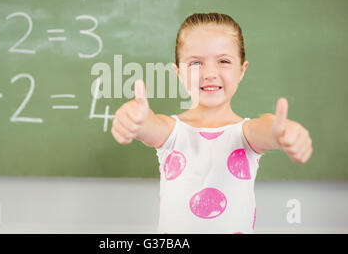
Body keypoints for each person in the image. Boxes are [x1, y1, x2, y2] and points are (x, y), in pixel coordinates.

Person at [111, 12, 313, 233]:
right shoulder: (171, 132)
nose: (209, 73)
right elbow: (150, 126)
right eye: (196, 63)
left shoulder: (245, 134)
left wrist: (282, 132)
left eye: (224, 61)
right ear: (179, 72)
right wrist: (135, 121)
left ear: (241, 70)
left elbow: (265, 128)